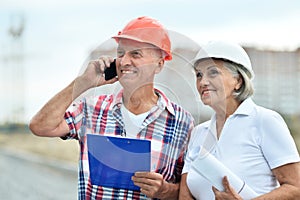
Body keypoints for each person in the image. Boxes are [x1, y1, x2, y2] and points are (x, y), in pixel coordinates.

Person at [29, 16, 194, 200]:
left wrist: (164, 190)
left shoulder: (182, 122)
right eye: (121, 53)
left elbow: (187, 192)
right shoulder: (91, 109)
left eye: (135, 54)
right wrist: (83, 83)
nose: (124, 62)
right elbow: (40, 126)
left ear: (159, 64)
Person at [179, 40, 300, 200]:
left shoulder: (265, 121)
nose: (202, 82)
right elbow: (185, 193)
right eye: (199, 75)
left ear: (238, 81)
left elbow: (295, 188)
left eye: (213, 72)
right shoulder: (198, 133)